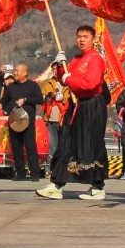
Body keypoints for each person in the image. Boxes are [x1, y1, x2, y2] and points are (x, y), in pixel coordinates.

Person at [37, 25, 109, 202]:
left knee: (93, 144)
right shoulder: (76, 59)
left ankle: (98, 186)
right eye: (79, 36)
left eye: (85, 36)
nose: (81, 39)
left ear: (93, 39)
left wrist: (68, 78)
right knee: (65, 142)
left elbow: (90, 83)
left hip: (92, 104)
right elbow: (66, 78)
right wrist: (60, 68)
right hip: (76, 104)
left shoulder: (96, 59)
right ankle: (56, 183)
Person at [0, 62, 44, 181]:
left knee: (31, 147)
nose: (15, 72)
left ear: (25, 72)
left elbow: (40, 99)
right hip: (14, 121)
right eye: (14, 70)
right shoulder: (10, 87)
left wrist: (26, 100)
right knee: (16, 148)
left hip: (28, 122)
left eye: (17, 70)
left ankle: (35, 173)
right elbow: (4, 99)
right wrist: (0, 103)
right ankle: (20, 173)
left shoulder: (33, 86)